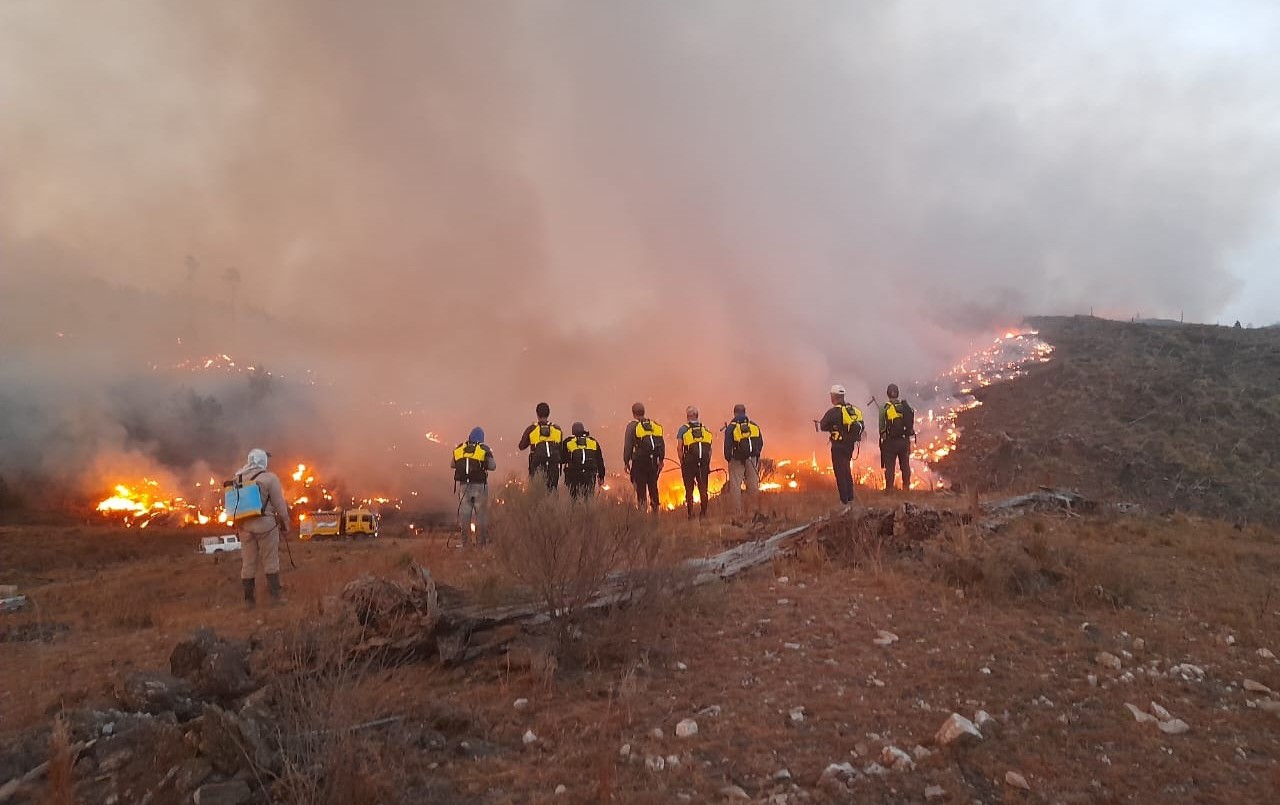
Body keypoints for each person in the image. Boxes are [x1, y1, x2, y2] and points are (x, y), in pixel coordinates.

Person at [233, 448, 290, 608]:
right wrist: (286, 522)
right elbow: (279, 504)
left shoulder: (237, 477)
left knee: (248, 563)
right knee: (270, 560)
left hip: (244, 527)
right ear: (262, 460)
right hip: (266, 526)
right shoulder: (269, 478)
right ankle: (275, 597)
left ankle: (249, 600)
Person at [818, 384, 864, 505]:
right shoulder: (853, 411)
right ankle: (851, 498)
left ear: (834, 396)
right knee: (846, 470)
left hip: (838, 446)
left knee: (840, 473)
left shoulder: (833, 412)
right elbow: (861, 426)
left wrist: (833, 427)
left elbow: (822, 426)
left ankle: (844, 501)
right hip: (849, 446)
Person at [452, 427, 495, 546]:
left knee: (465, 516)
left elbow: (452, 464)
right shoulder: (483, 449)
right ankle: (481, 544)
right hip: (480, 487)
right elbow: (492, 466)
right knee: (481, 516)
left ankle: (466, 544)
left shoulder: (460, 448)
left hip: (463, 487)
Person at [623, 402, 665, 512]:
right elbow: (661, 444)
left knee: (641, 490)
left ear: (633, 413)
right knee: (653, 487)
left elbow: (628, 446)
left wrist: (626, 462)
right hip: (653, 462)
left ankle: (642, 514)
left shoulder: (632, 426)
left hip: (639, 463)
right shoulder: (654, 425)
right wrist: (661, 460)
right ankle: (655, 513)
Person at [723, 403, 763, 518]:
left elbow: (727, 446)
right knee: (753, 485)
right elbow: (760, 443)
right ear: (745, 412)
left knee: (736, 486)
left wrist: (729, 459)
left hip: (736, 460)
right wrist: (755, 455)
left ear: (735, 413)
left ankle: (737, 512)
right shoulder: (754, 426)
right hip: (752, 459)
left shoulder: (731, 428)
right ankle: (754, 510)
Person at [676, 406, 713, 519]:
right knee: (703, 489)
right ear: (697, 416)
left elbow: (679, 448)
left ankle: (691, 514)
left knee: (689, 489)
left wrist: (682, 462)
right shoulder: (704, 429)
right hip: (703, 464)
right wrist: (706, 463)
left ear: (688, 416)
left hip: (689, 464)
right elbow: (710, 450)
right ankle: (704, 514)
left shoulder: (683, 429)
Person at [518, 402, 563, 490]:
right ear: (548, 413)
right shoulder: (557, 429)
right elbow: (560, 448)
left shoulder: (532, 429)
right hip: (553, 467)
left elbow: (521, 446)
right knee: (552, 491)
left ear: (537, 414)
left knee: (537, 491)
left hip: (537, 466)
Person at [879, 383, 916, 491]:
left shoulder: (884, 408)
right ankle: (906, 488)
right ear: (898, 393)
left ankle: (889, 489)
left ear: (887, 394)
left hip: (890, 442)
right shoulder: (904, 406)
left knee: (890, 467)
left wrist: (884, 437)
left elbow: (881, 428)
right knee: (905, 465)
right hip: (904, 441)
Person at [562, 421, 606, 499]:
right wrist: (601, 476)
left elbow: (563, 459)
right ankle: (588, 507)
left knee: (574, 498)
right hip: (590, 475)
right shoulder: (593, 442)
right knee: (588, 498)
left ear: (573, 432)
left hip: (573, 476)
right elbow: (599, 460)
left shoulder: (568, 442)